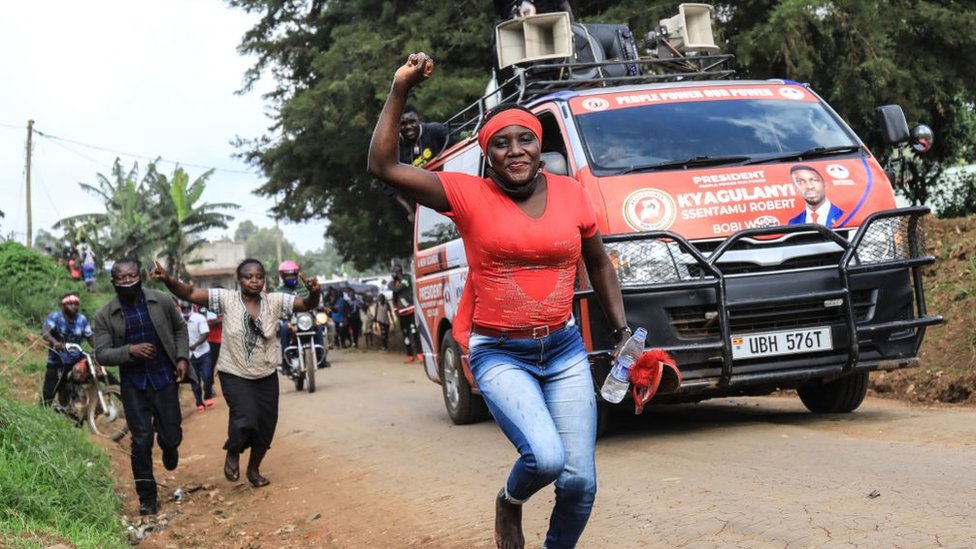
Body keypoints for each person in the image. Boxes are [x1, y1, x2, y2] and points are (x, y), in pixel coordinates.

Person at [368, 53, 630, 549]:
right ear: (488, 156)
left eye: (525, 139)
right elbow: (382, 165)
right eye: (501, 144)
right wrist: (401, 84)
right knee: (546, 460)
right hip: (499, 352)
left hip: (564, 349)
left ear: (540, 146)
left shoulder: (572, 193)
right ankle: (509, 503)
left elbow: (599, 264)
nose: (516, 150)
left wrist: (621, 335)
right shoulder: (467, 195)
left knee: (580, 482)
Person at [149, 258, 321, 489]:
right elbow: (190, 292)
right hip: (234, 372)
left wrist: (314, 293)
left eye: (259, 277)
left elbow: (306, 305)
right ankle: (233, 450)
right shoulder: (226, 299)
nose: (254, 281)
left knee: (266, 425)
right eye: (248, 277)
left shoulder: (275, 301)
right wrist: (168, 278)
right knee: (246, 417)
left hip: (266, 372)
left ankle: (253, 469)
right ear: (238, 280)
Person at [93, 258, 193, 517]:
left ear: (141, 276)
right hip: (134, 385)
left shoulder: (161, 301)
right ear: (113, 281)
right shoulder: (105, 314)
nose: (127, 281)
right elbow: (102, 353)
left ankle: (170, 446)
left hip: (164, 378)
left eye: (131, 276)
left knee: (172, 434)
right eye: (121, 278)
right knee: (140, 441)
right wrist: (130, 351)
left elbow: (180, 329)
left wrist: (182, 358)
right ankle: (147, 498)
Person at [384, 105, 453, 220]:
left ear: (419, 120)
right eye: (403, 124)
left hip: (449, 189)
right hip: (425, 205)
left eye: (412, 122)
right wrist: (410, 212)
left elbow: (458, 144)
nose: (409, 127)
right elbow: (390, 187)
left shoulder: (435, 130)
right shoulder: (395, 150)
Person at [41, 292, 95, 407]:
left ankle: (118, 394)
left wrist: (100, 348)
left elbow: (90, 337)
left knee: (97, 367)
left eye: (76, 304)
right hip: (58, 360)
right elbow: (45, 332)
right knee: (48, 396)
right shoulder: (56, 317)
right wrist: (55, 342)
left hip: (76, 357)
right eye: (70, 304)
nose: (74, 306)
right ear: (63, 305)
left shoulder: (82, 319)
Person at [275, 260, 326, 370]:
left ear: (297, 274)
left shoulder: (306, 288)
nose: (290, 278)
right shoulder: (278, 291)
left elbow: (312, 302)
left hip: (306, 318)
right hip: (288, 319)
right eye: (287, 276)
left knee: (318, 326)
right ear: (282, 276)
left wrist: (314, 292)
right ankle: (285, 361)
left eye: (292, 275)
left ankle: (321, 357)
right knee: (284, 328)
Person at [182, 302, 215, 412]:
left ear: (191, 307)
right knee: (194, 380)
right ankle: (199, 402)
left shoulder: (199, 318)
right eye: (183, 308)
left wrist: (195, 345)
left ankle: (208, 395)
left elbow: (205, 334)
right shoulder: (179, 319)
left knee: (207, 376)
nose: (185, 310)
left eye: (187, 308)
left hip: (203, 352)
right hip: (189, 355)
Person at [388, 265, 422, 363]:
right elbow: (393, 292)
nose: (393, 274)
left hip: (411, 310)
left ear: (399, 272)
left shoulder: (407, 278)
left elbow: (398, 289)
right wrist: (395, 308)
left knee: (414, 332)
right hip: (401, 313)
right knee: (405, 334)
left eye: (394, 272)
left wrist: (395, 284)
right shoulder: (394, 283)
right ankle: (409, 355)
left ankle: (420, 353)